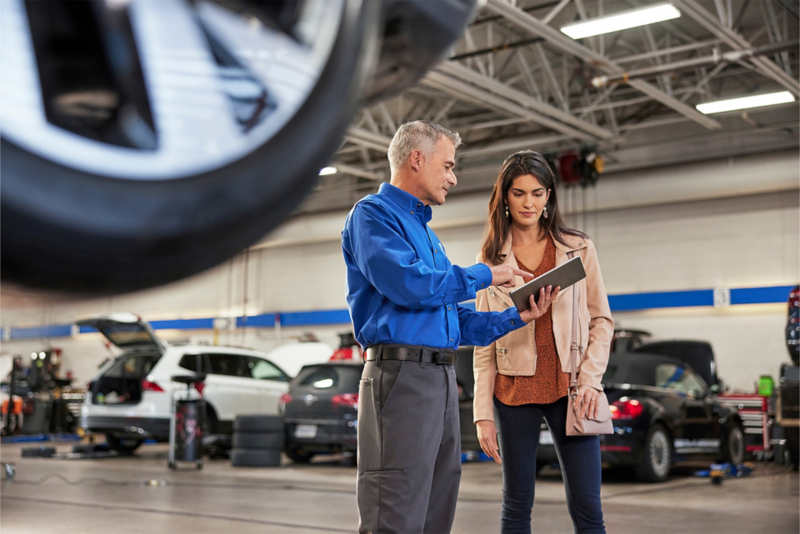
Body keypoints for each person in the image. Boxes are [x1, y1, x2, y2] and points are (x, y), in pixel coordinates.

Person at [341, 121, 555, 534]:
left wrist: (516, 315)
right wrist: (484, 275)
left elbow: (451, 318)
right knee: (396, 506)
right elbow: (409, 285)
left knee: (438, 505)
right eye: (448, 166)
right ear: (416, 160)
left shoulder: (427, 234)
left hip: (438, 379)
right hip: (400, 378)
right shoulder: (372, 216)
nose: (453, 178)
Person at [473, 151, 614, 534]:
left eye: (537, 193)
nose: (529, 203)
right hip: (513, 389)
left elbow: (602, 319)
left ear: (549, 196)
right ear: (504, 197)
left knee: (588, 507)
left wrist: (590, 379)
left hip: (571, 388)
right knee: (516, 504)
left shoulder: (578, 248)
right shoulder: (489, 262)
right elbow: (483, 343)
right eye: (519, 194)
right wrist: (482, 413)